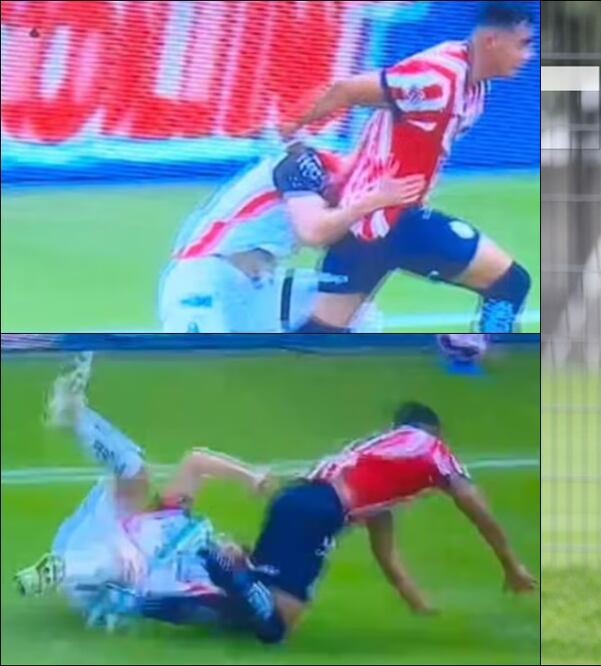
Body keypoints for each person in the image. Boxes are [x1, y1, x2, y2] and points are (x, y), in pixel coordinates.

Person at [287, 1, 536, 333]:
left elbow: (406, 125)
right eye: (523, 44)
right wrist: (289, 128)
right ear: (493, 40)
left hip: (381, 223)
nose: (528, 55)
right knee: (511, 284)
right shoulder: (437, 77)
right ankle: (480, 364)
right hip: (384, 221)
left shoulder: (473, 87)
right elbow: (345, 90)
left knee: (319, 339)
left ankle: (479, 362)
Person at [201, 402, 537, 644]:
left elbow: (385, 554)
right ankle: (220, 560)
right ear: (435, 432)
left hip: (293, 500)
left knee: (253, 612)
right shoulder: (434, 450)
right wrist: (512, 566)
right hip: (321, 511)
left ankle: (209, 583)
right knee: (278, 629)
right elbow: (479, 512)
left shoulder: (376, 458)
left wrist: (419, 605)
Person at [13, 353, 274, 631]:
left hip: (102, 582)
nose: (229, 546)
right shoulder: (181, 519)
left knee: (125, 565)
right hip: (98, 531)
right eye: (233, 545)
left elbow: (197, 608)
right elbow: (196, 462)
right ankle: (76, 416)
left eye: (236, 554)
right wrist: (249, 476)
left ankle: (58, 572)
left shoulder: (204, 586)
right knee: (135, 468)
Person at [158, 143, 425, 332]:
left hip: (259, 288)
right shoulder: (303, 162)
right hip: (205, 279)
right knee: (201, 375)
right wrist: (370, 202)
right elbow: (313, 232)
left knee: (358, 314)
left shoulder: (348, 203)